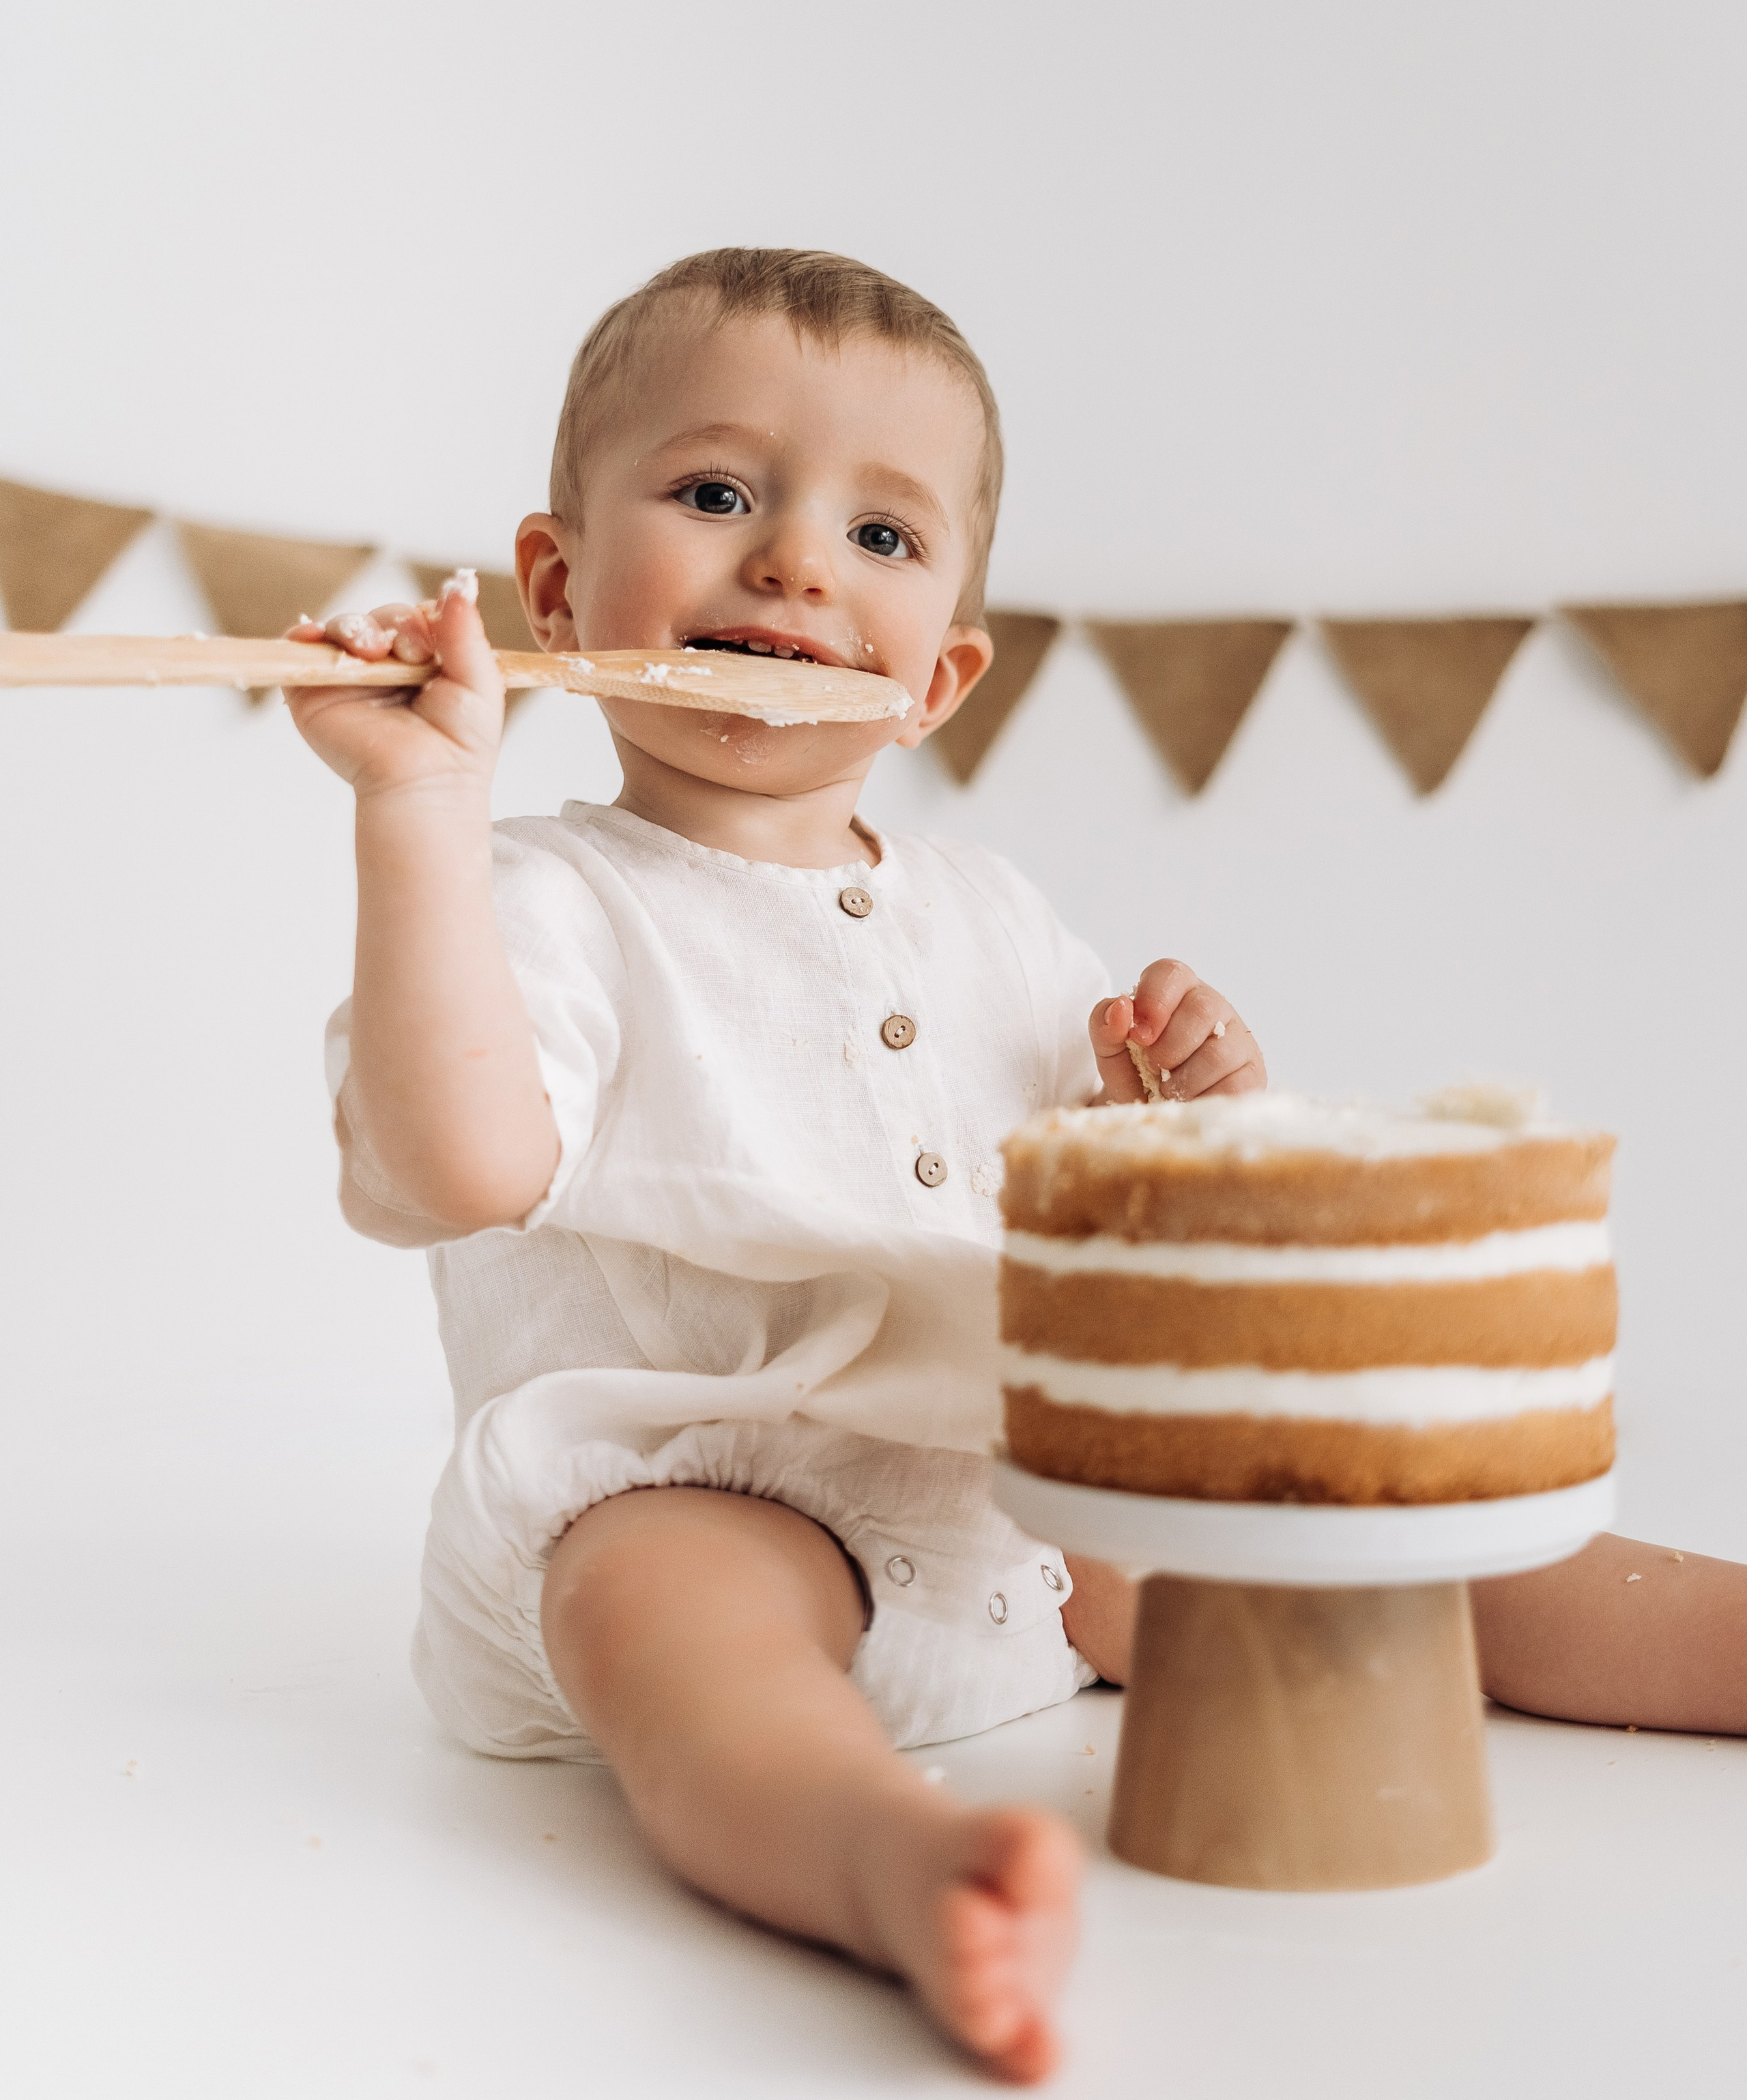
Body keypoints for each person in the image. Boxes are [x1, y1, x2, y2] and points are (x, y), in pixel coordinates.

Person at [288, 248, 1745, 2086]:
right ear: (562, 586)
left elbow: (1108, 1232)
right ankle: (889, 1866)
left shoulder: (992, 916)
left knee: (1385, 1556)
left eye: (882, 538)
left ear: (940, 677)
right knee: (675, 1624)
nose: (798, 560)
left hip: (1023, 1514)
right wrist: (418, 813)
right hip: (696, 1484)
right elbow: (462, 1163)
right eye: (719, 493)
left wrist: (1172, 1122)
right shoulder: (540, 900)